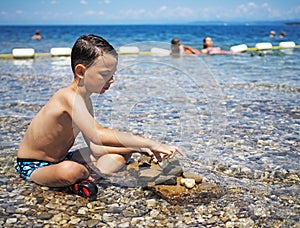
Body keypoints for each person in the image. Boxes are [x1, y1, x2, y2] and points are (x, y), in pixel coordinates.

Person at [16, 34, 184, 199]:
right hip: (34, 165)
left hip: (62, 157)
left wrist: (137, 148)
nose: (111, 81)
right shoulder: (67, 97)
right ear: (81, 71)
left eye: (112, 74)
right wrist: (152, 143)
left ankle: (85, 178)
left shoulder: (85, 100)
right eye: (105, 75)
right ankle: (83, 175)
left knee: (122, 154)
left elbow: (95, 147)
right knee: (71, 170)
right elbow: (98, 134)